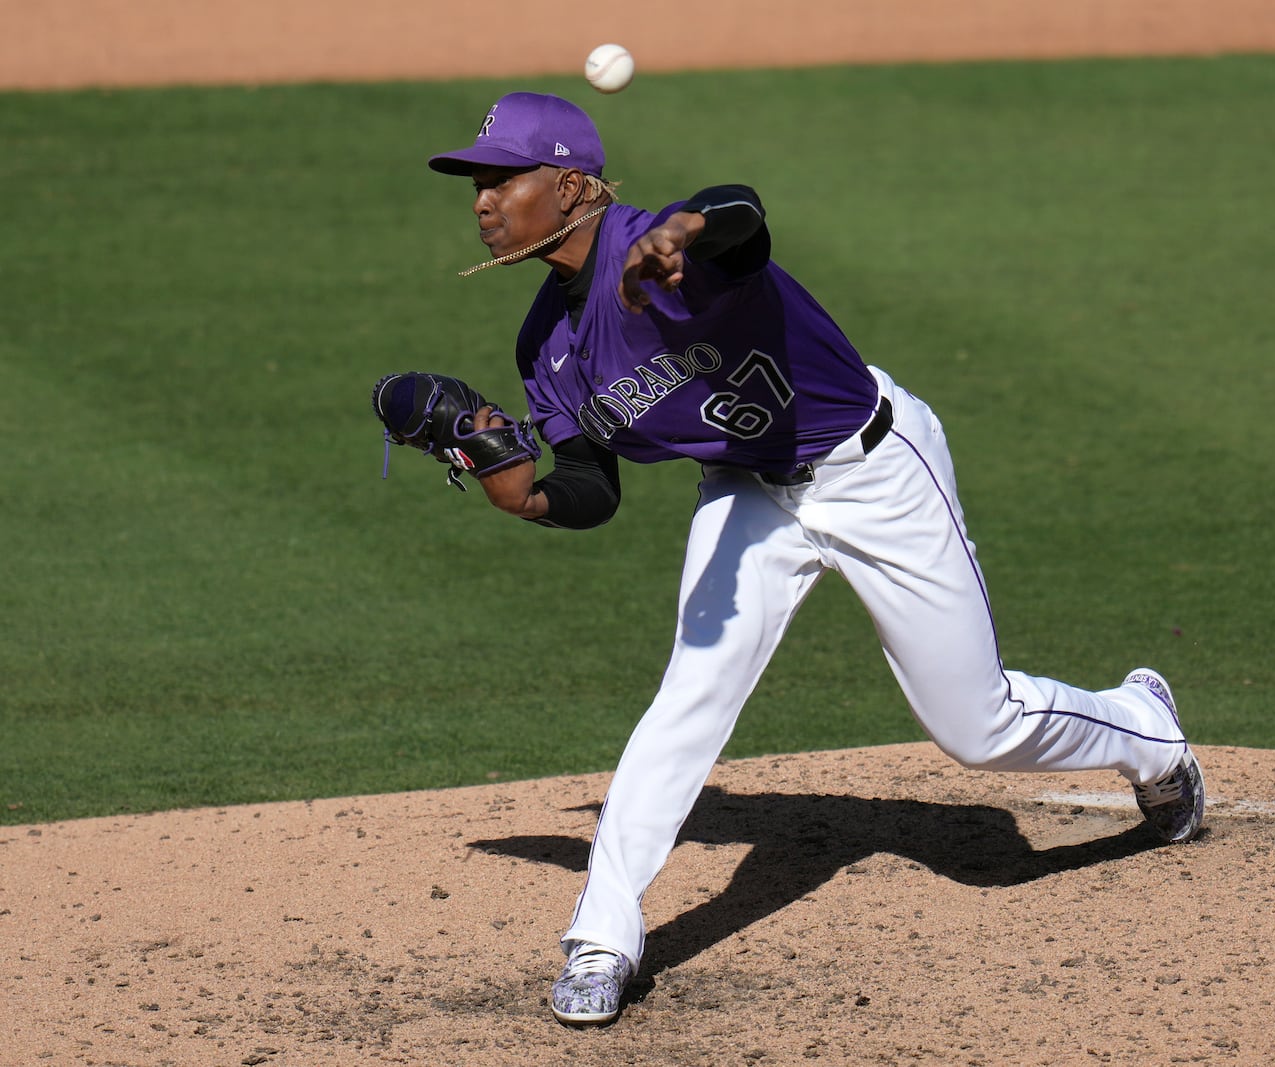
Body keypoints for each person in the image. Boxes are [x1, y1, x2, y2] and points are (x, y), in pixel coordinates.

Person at [423, 91, 1205, 1026]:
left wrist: (684, 226)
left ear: (574, 185)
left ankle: (1146, 730)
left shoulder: (670, 254)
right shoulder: (545, 346)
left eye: (502, 177)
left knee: (977, 727)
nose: (482, 198)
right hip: (750, 494)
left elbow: (741, 220)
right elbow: (592, 485)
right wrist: (527, 497)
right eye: (478, 180)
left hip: (871, 469)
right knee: (689, 695)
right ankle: (602, 935)